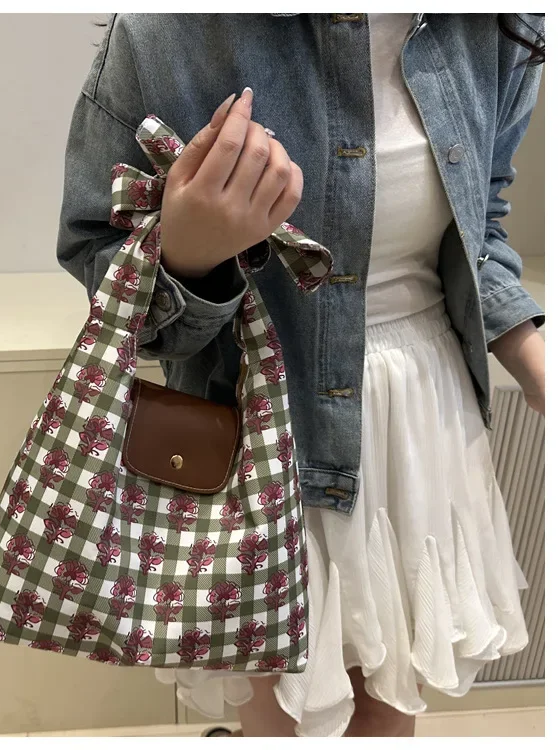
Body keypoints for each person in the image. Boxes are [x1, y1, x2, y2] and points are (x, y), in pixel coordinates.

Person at [56, 13, 545, 738]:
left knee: (387, 714)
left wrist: (538, 368)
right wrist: (189, 252)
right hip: (255, 431)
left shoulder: (492, 25)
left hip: (422, 423)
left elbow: (480, 228)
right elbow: (104, 261)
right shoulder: (169, 35)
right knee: (281, 719)